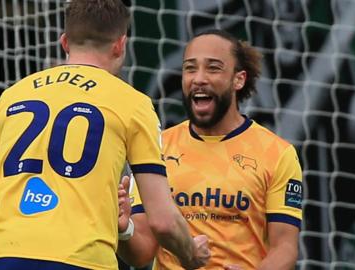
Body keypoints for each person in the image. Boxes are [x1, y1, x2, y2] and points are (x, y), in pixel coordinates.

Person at [0, 0, 209, 269]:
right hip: (83, 261)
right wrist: (191, 255)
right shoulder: (132, 104)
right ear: (120, 44)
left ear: (65, 42)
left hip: (3, 259)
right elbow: (163, 220)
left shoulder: (11, 97)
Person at [117, 29, 303, 270]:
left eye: (213, 68)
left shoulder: (278, 153)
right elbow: (141, 253)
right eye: (190, 68)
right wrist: (123, 230)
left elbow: (285, 247)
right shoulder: (158, 146)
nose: (199, 78)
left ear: (239, 79)